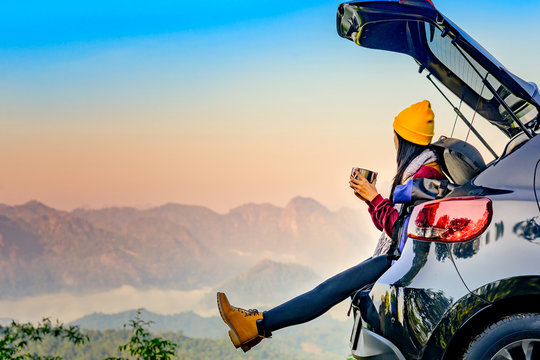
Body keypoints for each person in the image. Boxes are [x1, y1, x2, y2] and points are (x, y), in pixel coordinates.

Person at [217, 100, 446, 352]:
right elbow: (394, 225)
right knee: (329, 289)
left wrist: (375, 199)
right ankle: (255, 327)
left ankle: (255, 326)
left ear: (402, 140)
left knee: (327, 290)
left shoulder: (425, 176)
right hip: (398, 256)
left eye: (395, 136)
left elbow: (402, 233)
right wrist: (371, 202)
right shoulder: (422, 171)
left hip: (399, 259)